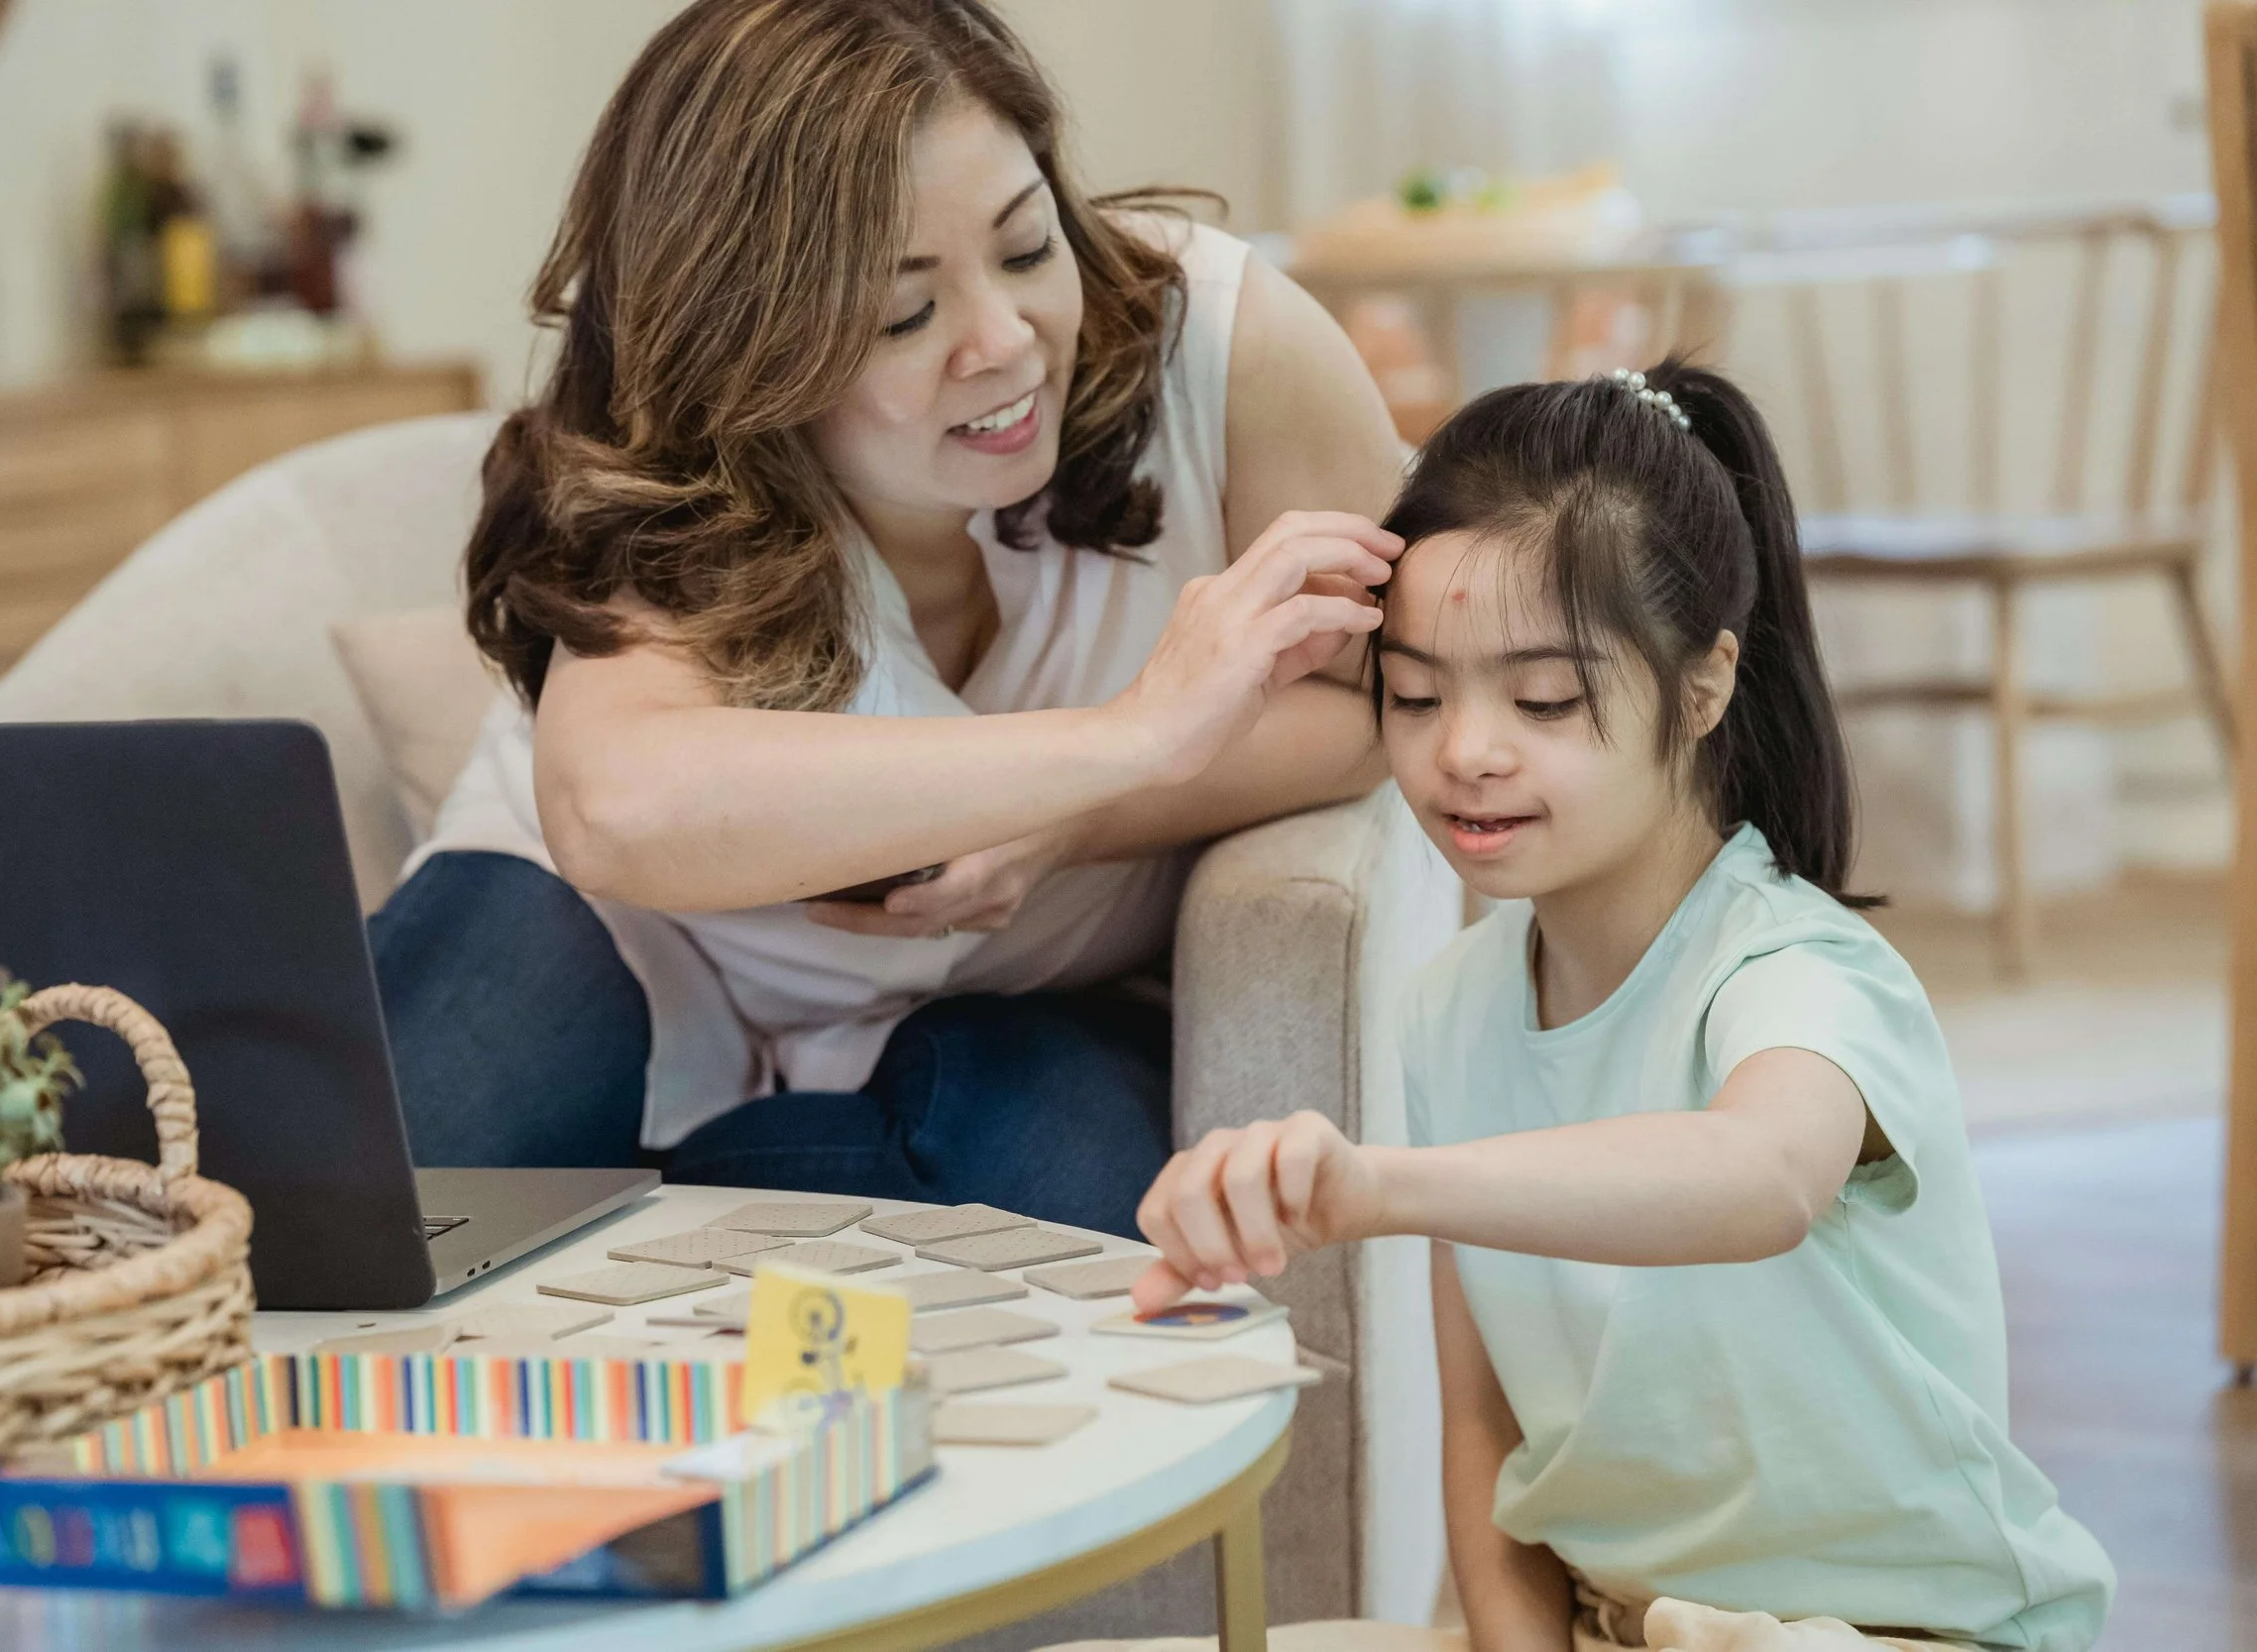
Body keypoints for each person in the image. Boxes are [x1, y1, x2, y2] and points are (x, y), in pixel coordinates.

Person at [367, 0, 1407, 1237]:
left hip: (1013, 1006)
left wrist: (1070, 828)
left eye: (1026, 249)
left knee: (1072, 1222)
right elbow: (615, 812)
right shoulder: (677, 472)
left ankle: (643, 1215)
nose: (1005, 343)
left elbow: (1391, 700)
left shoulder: (1227, 353)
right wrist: (1111, 745)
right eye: (901, 316)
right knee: (354, 1212)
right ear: (746, 350)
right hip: (628, 944)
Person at [1129, 362, 2115, 1650]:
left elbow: (1757, 1175)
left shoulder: (1806, 973)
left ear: (1703, 686)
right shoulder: (1453, 1008)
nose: (1465, 748)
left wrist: (1373, 1184)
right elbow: (1486, 1430)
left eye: (1542, 698)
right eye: (1417, 694)